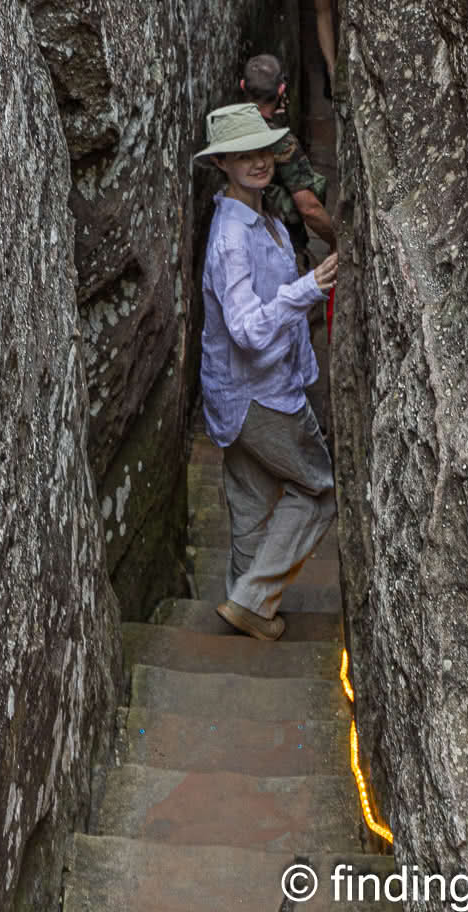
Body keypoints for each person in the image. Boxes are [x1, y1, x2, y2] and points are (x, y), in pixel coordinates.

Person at [195, 102, 338, 641]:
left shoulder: (261, 215)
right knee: (319, 490)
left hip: (240, 391)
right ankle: (254, 600)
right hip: (259, 395)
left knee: (252, 506)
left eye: (263, 151)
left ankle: (245, 617)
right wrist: (310, 288)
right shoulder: (232, 238)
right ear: (221, 163)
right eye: (243, 155)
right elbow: (248, 331)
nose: (258, 162)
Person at [239, 52, 336, 255]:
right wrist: (337, 242)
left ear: (242, 86)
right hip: (279, 243)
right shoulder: (282, 142)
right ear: (281, 89)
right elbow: (309, 208)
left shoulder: (229, 131)